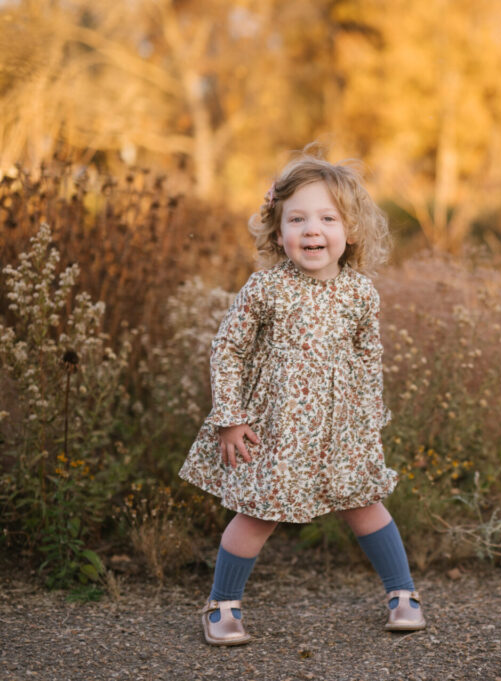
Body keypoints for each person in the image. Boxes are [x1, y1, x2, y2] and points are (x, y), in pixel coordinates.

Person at [179, 144, 425, 646]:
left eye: (327, 218)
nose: (312, 230)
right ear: (278, 231)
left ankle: (402, 594)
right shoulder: (264, 289)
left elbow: (367, 356)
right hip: (277, 427)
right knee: (258, 511)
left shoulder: (360, 293)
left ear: (350, 230)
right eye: (297, 219)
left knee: (366, 503)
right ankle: (222, 605)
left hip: (342, 427)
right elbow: (228, 350)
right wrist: (229, 417)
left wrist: (369, 420)